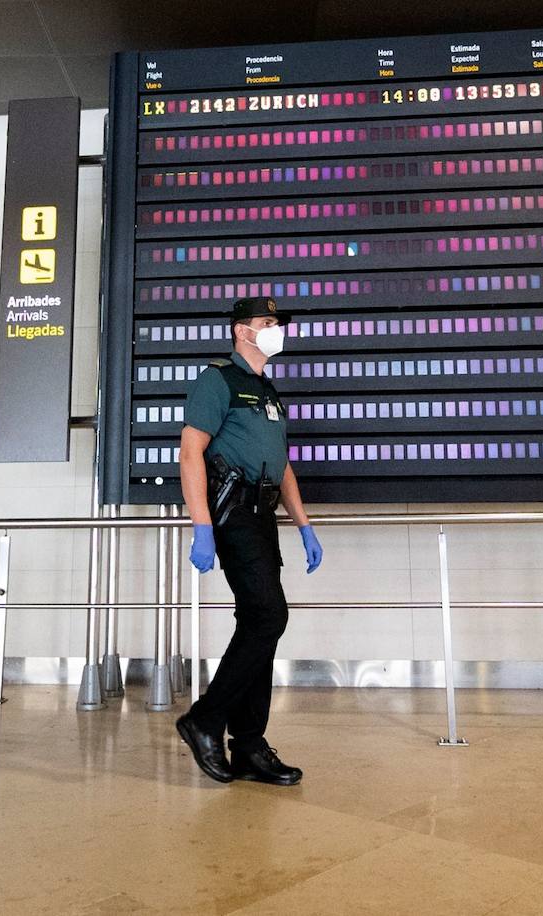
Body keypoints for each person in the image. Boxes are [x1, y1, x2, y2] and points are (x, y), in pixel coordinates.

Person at [173, 297, 322, 786]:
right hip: (233, 513)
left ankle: (250, 746)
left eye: (276, 323)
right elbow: (191, 452)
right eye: (266, 322)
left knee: (261, 623)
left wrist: (303, 524)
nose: (275, 330)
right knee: (268, 616)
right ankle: (205, 719)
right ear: (242, 331)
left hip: (264, 516)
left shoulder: (268, 390)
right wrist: (201, 527)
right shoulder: (218, 380)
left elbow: (281, 465)